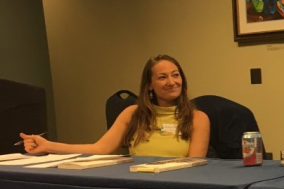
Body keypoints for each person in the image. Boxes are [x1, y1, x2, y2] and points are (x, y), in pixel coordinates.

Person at [20, 55, 210, 158]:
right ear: (150, 85)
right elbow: (100, 148)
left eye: (176, 75)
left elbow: (194, 166)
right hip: (137, 185)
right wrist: (48, 146)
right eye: (162, 77)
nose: (172, 82)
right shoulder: (133, 113)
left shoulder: (197, 118)